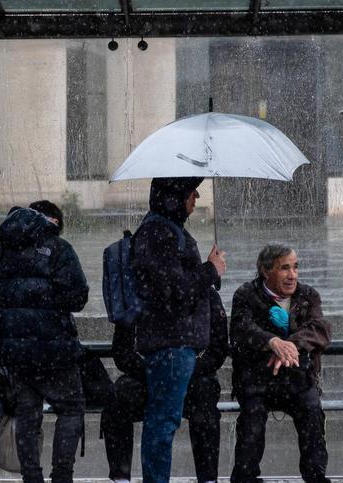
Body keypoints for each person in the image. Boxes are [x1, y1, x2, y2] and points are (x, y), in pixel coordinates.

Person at [0, 205, 89, 483]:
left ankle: (32, 476)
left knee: (27, 415)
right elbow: (77, 298)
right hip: (55, 351)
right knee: (71, 408)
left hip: (15, 355)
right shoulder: (58, 249)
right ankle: (62, 475)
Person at [131, 177, 226, 483]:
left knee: (163, 422)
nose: (196, 196)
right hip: (171, 343)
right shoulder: (159, 233)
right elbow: (175, 292)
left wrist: (210, 272)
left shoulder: (166, 229)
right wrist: (211, 269)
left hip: (174, 343)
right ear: (175, 195)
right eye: (190, 190)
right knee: (162, 423)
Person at [100, 287, 227, 483]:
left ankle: (208, 478)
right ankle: (120, 476)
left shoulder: (208, 296)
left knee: (205, 399)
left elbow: (217, 350)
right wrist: (158, 373)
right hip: (147, 377)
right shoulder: (137, 294)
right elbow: (122, 352)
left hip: (193, 378)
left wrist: (181, 372)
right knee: (119, 396)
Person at [229, 244, 332, 483]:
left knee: (312, 413)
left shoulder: (308, 295)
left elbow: (320, 330)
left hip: (297, 379)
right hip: (257, 380)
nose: (292, 275)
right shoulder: (246, 295)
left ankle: (316, 477)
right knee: (252, 420)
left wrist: (290, 345)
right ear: (266, 271)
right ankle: (245, 478)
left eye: (295, 267)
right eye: (284, 268)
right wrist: (271, 341)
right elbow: (240, 330)